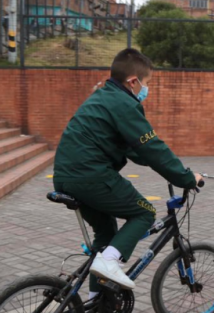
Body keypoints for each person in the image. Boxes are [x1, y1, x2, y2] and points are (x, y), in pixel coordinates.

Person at [53, 48, 202, 297]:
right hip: (92, 176)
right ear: (133, 82)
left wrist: (168, 167)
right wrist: (186, 177)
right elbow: (152, 147)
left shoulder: (103, 97)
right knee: (144, 212)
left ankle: (95, 299)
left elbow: (137, 150)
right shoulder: (124, 103)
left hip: (66, 177)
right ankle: (109, 263)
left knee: (107, 234)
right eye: (146, 83)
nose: (146, 89)